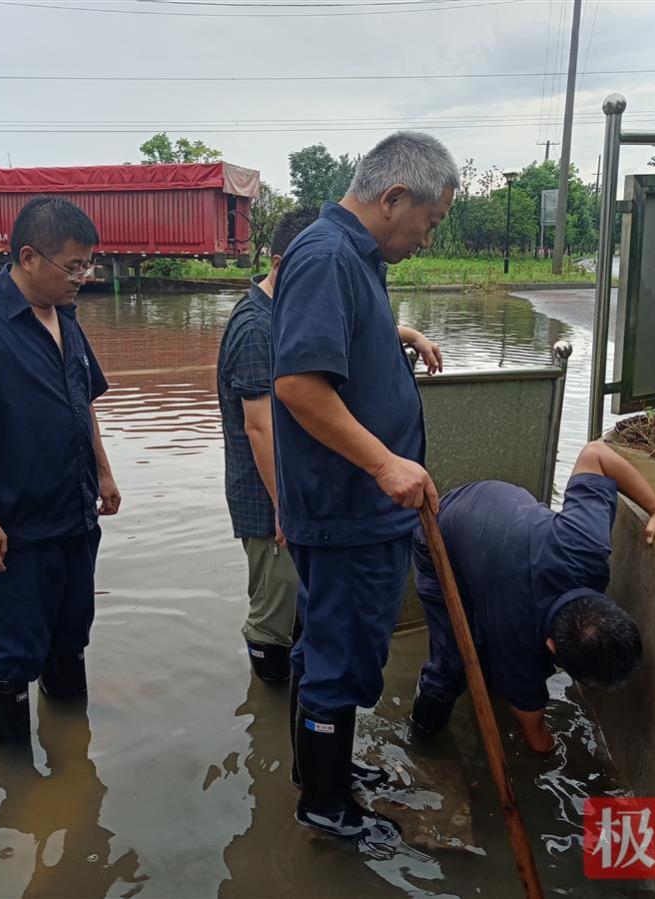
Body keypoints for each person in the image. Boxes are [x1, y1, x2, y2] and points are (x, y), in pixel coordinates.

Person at [271, 131, 458, 846]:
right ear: (393, 198)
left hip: (354, 509)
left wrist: (394, 333)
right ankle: (324, 801)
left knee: (330, 647)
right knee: (341, 656)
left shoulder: (350, 257)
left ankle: (322, 768)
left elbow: (335, 346)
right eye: (430, 221)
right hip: (349, 506)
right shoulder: (326, 256)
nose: (428, 236)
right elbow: (296, 384)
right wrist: (384, 462)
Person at [217, 209, 444, 685]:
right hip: (274, 496)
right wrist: (283, 506)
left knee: (315, 625)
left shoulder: (289, 308)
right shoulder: (257, 327)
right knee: (274, 613)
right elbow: (261, 428)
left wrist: (410, 335)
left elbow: (343, 333)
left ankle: (299, 714)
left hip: (301, 493)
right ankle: (274, 705)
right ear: (286, 263)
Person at [0, 196, 121, 743]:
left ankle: (70, 746)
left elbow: (82, 400)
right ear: (28, 257)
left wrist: (105, 473)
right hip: (18, 524)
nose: (84, 277)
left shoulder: (67, 316)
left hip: (75, 513)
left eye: (90, 264)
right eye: (74, 266)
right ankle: (13, 774)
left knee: (71, 634)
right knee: (12, 647)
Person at [409, 440, 655, 752]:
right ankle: (422, 737)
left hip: (500, 517)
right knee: (452, 663)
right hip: (441, 533)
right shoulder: (517, 643)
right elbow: (536, 736)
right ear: (551, 646)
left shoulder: (585, 546)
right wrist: (550, 757)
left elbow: (596, 456)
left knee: (490, 653)